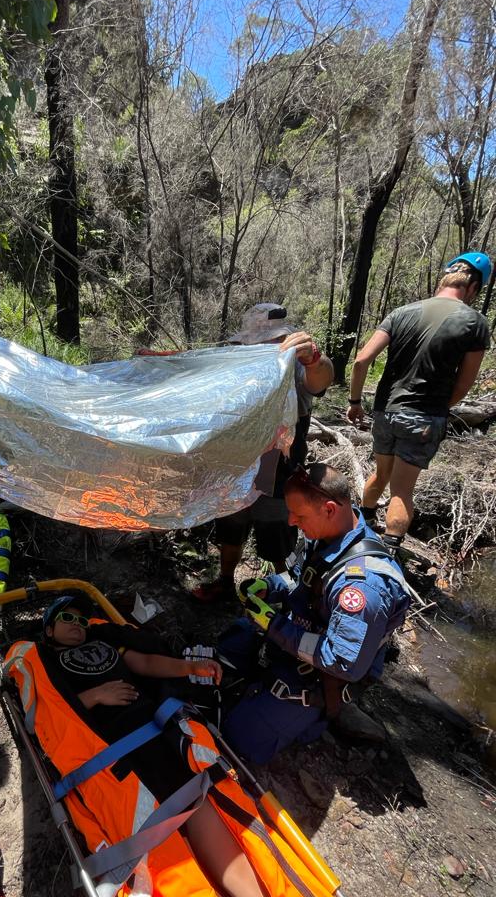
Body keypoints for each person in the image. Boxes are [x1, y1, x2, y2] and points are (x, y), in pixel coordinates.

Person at [34, 596, 343, 897]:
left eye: (79, 617)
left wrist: (188, 668)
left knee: (244, 885)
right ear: (48, 631)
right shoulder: (47, 666)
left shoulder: (109, 646)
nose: (75, 623)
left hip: (164, 747)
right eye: (64, 619)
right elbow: (51, 719)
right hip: (120, 770)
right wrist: (95, 696)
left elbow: (144, 666)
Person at [221, 464, 410, 765]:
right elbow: (300, 580)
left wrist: (273, 625)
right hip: (297, 638)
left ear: (330, 509)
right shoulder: (324, 532)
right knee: (229, 646)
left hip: (323, 675)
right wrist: (268, 587)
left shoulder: (363, 586)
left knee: (238, 739)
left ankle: (318, 718)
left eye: (299, 515)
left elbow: (342, 661)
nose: (291, 521)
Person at [347, 251, 492, 550]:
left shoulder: (401, 312)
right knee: (402, 491)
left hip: (386, 411)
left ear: (444, 278)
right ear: (473, 288)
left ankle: (361, 528)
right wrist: (437, 408)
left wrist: (355, 401)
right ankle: (388, 551)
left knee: (381, 474)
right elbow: (464, 384)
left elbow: (361, 361)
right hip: (425, 416)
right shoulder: (474, 322)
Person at [193, 303, 334, 601]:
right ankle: (225, 583)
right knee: (230, 530)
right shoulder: (235, 367)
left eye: (274, 341)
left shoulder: (295, 365)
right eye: (260, 342)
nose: (268, 347)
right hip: (235, 468)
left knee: (278, 538)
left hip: (278, 474)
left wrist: (314, 359)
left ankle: (287, 595)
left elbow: (321, 378)